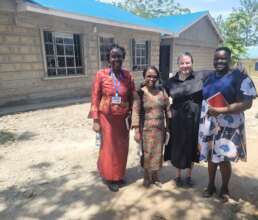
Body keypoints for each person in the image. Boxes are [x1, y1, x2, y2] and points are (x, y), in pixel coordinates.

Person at [198, 47, 257, 202]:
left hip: (229, 125)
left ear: (230, 59)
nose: (219, 61)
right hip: (211, 124)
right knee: (211, 157)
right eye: (216, 58)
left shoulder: (240, 77)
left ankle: (224, 188)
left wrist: (222, 110)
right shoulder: (210, 77)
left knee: (224, 158)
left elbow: (247, 103)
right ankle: (210, 185)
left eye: (223, 58)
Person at [88, 44, 135, 192]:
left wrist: (134, 115)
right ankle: (110, 177)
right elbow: (95, 98)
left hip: (122, 119)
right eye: (113, 56)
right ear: (108, 58)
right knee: (109, 149)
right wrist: (95, 120)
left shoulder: (128, 76)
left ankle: (119, 175)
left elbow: (133, 96)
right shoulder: (101, 75)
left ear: (123, 58)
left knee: (122, 148)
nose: (116, 59)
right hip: (106, 118)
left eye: (119, 56)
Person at [164, 52, 204, 187]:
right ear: (178, 64)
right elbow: (161, 96)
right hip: (177, 120)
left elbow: (218, 76)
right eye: (182, 63)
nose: (185, 66)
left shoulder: (200, 77)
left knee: (191, 146)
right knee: (177, 146)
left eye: (187, 63)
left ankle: (189, 176)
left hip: (194, 119)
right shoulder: (171, 82)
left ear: (192, 63)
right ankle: (178, 176)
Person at [131, 66, 171, 188]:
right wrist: (137, 130)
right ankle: (146, 176)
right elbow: (136, 111)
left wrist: (168, 128)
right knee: (147, 153)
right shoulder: (140, 92)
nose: (152, 79)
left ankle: (155, 177)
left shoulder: (162, 91)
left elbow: (167, 109)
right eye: (149, 76)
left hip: (160, 129)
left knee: (158, 153)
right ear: (144, 76)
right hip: (146, 129)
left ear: (157, 77)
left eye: (154, 76)